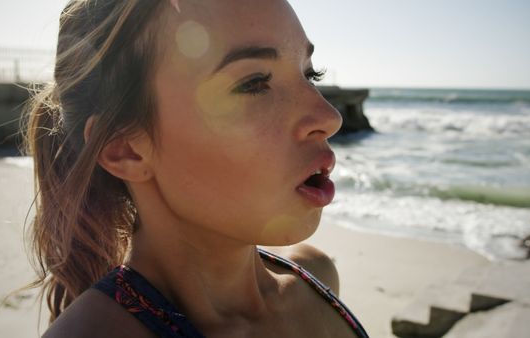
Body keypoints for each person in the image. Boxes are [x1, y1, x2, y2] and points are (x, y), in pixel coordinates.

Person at [25, 0, 369, 337]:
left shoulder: (316, 276)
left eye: (309, 74)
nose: (329, 117)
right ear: (126, 149)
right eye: (253, 83)